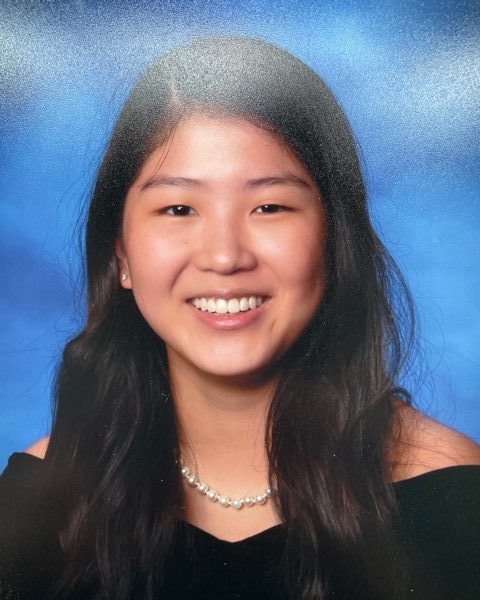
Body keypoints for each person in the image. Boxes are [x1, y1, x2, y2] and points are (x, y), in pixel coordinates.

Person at [0, 36, 479, 600]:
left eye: (269, 207)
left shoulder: (451, 498)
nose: (225, 257)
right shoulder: (34, 505)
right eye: (178, 209)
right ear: (120, 255)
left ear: (332, 240)